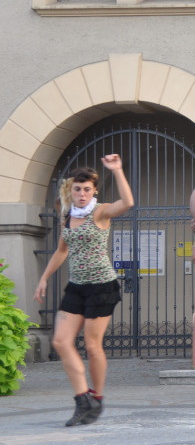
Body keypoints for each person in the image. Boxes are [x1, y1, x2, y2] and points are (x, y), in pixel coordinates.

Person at [34, 156, 134, 426]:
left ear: (94, 191)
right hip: (76, 287)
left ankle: (97, 397)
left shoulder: (99, 212)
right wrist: (44, 278)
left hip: (102, 285)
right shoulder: (67, 216)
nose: (81, 194)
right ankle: (82, 400)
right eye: (77, 189)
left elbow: (127, 203)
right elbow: (61, 251)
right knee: (60, 341)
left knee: (92, 345)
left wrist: (118, 171)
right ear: (72, 190)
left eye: (87, 189)